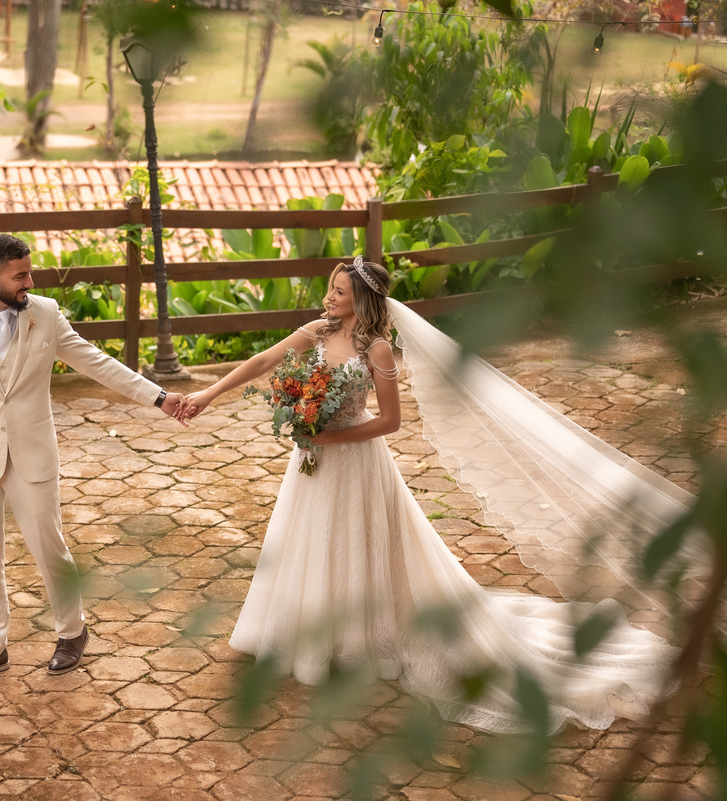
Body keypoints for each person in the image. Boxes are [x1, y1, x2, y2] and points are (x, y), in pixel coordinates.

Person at [176, 256, 684, 733]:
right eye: (330, 289)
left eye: (339, 292)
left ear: (362, 301)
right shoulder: (318, 331)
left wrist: (331, 436)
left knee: (356, 543)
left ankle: (358, 641)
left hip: (354, 461)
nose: (328, 298)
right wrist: (208, 394)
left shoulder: (376, 350)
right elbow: (265, 359)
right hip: (313, 457)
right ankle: (305, 633)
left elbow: (389, 421)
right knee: (309, 538)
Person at [0, 234, 186, 682]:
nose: (30, 282)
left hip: (32, 452)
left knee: (49, 548)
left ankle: (72, 632)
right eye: (20, 275)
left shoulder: (44, 313)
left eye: (30, 272)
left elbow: (95, 361)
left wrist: (158, 398)